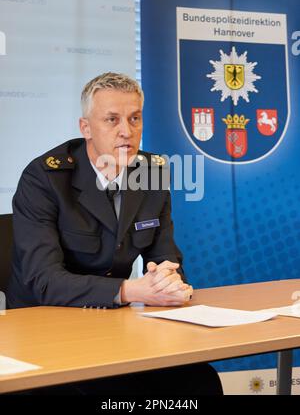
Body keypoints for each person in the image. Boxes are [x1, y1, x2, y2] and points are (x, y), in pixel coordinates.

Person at [7, 72, 223, 395]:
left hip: (113, 328)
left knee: (199, 382)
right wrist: (130, 291)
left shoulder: (151, 172)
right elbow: (44, 281)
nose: (127, 132)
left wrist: (168, 281)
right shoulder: (45, 178)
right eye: (112, 120)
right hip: (45, 332)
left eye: (135, 118)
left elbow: (164, 255)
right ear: (86, 129)